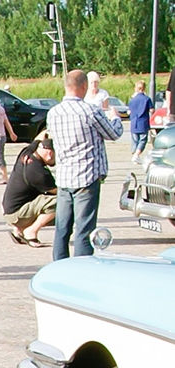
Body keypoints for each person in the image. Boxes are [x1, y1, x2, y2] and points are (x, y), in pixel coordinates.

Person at [46, 68, 122, 260]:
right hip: (86, 176)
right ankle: (81, 267)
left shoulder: (53, 113)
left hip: (64, 176)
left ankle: (59, 265)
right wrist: (115, 118)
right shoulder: (89, 111)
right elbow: (113, 134)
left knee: (62, 228)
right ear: (84, 87)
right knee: (84, 229)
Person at [3, 135, 57, 247]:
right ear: (50, 153)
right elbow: (59, 192)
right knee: (61, 201)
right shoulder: (40, 173)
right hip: (17, 214)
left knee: (42, 200)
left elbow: (40, 136)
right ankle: (31, 231)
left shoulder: (27, 152)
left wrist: (48, 130)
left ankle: (19, 230)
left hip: (10, 208)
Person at [128, 80, 154, 161]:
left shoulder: (132, 100)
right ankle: (136, 155)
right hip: (143, 122)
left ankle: (134, 153)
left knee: (135, 140)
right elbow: (152, 110)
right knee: (143, 140)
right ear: (144, 88)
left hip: (133, 122)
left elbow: (129, 111)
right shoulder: (147, 99)